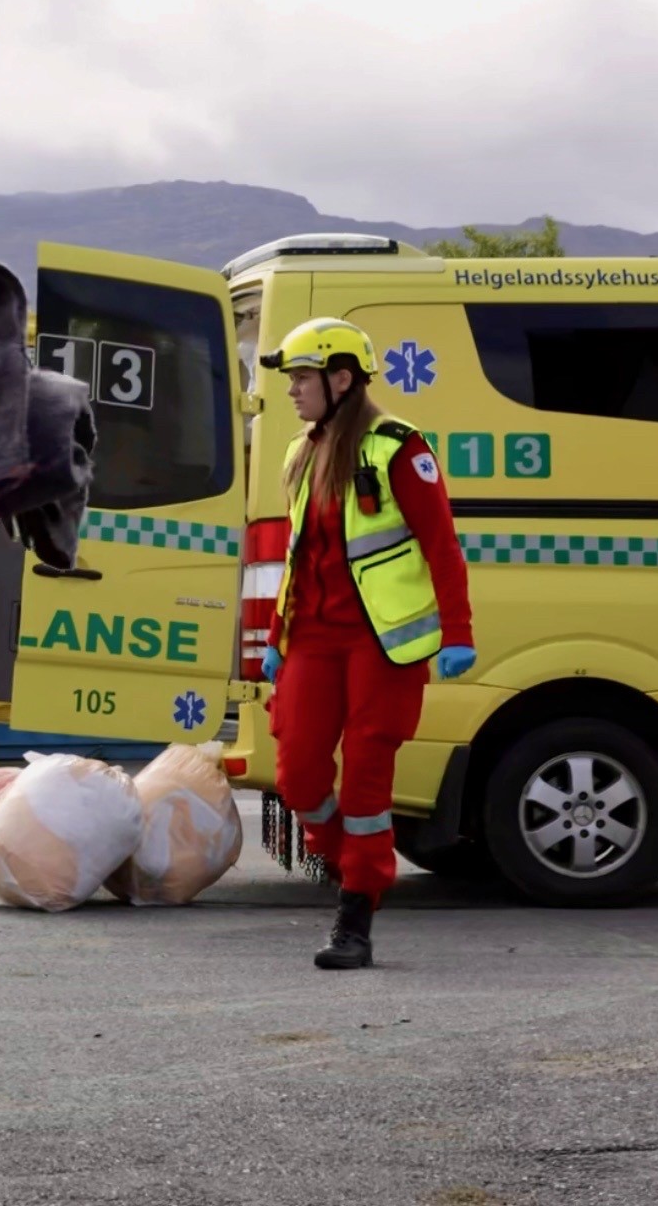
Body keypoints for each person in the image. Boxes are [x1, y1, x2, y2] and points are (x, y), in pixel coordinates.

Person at [260, 317, 476, 970]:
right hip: (314, 641)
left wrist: (459, 633)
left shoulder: (398, 448)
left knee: (366, 778)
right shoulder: (302, 451)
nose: (293, 390)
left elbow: (442, 546)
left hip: (383, 646)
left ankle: (355, 914)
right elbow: (299, 556)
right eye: (292, 379)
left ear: (342, 378)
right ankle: (344, 861)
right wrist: (275, 637)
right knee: (297, 772)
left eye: (302, 378)